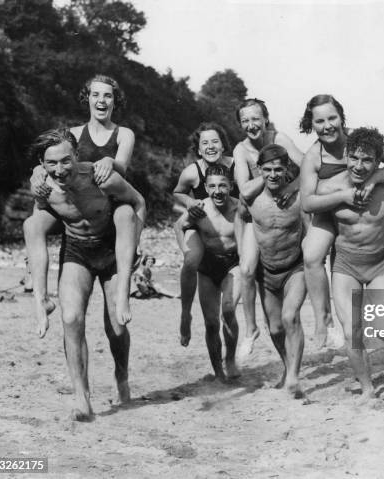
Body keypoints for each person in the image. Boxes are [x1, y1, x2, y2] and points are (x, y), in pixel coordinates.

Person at [25, 128, 146, 421]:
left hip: (111, 249)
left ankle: (122, 374)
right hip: (77, 250)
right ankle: (82, 396)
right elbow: (40, 219)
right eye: (51, 163)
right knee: (70, 319)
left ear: (76, 155)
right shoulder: (43, 186)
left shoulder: (102, 178)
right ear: (41, 163)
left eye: (65, 161)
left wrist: (133, 245)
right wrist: (35, 181)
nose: (59, 169)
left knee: (116, 327)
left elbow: (139, 202)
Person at [299, 95, 384, 348]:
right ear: (311, 124)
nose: (327, 126)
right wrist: (343, 195)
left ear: (342, 117)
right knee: (311, 255)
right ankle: (322, 317)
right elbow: (307, 203)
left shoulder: (360, 138)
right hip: (333, 207)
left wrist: (374, 179)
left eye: (332, 118)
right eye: (320, 121)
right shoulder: (314, 155)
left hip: (374, 203)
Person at [24, 74, 138, 335]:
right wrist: (37, 171)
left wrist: (110, 162)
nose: (101, 100)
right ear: (87, 98)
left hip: (109, 204)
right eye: (95, 94)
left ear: (114, 101)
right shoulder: (74, 133)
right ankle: (40, 297)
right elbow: (52, 157)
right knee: (32, 224)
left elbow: (121, 167)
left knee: (125, 212)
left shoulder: (124, 133)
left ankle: (124, 286)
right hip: (72, 207)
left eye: (107, 95)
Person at [320, 127, 384, 399]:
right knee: (350, 331)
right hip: (346, 264)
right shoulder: (330, 187)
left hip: (382, 261)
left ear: (378, 162)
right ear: (346, 155)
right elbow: (308, 211)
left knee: (383, 326)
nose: (359, 166)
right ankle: (367, 388)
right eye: (354, 158)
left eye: (367, 160)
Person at [232, 98, 303, 358]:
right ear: (240, 124)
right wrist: (266, 173)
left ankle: (326, 321)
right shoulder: (241, 150)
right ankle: (250, 330)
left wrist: (292, 186)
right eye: (245, 120)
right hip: (255, 216)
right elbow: (244, 191)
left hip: (286, 208)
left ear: (265, 119)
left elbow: (307, 165)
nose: (252, 125)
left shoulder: (279, 138)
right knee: (247, 268)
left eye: (256, 119)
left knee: (314, 256)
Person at [247, 144, 307, 398]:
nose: (273, 175)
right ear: (259, 169)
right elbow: (239, 219)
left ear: (287, 170)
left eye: (278, 169)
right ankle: (287, 366)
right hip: (266, 271)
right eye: (268, 169)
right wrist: (245, 254)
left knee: (290, 317)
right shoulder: (251, 199)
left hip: (295, 267)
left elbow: (312, 228)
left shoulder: (299, 198)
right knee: (274, 328)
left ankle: (293, 375)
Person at [172, 122, 238, 347]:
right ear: (198, 149)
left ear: (224, 145)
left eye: (215, 142)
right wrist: (190, 201)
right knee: (191, 260)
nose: (210, 147)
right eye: (205, 143)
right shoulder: (193, 171)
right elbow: (178, 191)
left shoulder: (236, 167)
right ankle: (185, 313)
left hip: (229, 228)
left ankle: (252, 328)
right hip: (199, 223)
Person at [187, 164, 242, 381]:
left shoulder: (240, 209)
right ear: (206, 187)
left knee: (228, 311)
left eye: (222, 185)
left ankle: (230, 358)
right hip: (207, 267)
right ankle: (218, 369)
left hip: (232, 263)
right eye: (212, 186)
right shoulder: (200, 209)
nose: (217, 191)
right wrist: (187, 254)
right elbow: (179, 226)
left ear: (231, 186)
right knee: (211, 322)